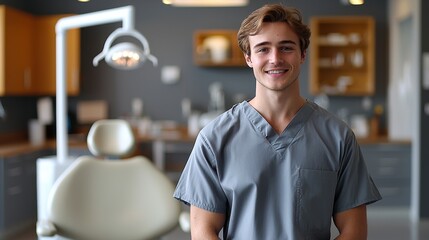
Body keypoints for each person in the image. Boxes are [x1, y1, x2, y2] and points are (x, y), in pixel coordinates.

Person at [174, 3, 381, 239]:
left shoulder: (338, 136)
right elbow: (203, 231)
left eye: (286, 47)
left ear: (303, 54)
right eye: (262, 49)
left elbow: (354, 230)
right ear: (248, 58)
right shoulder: (214, 138)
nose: (275, 58)